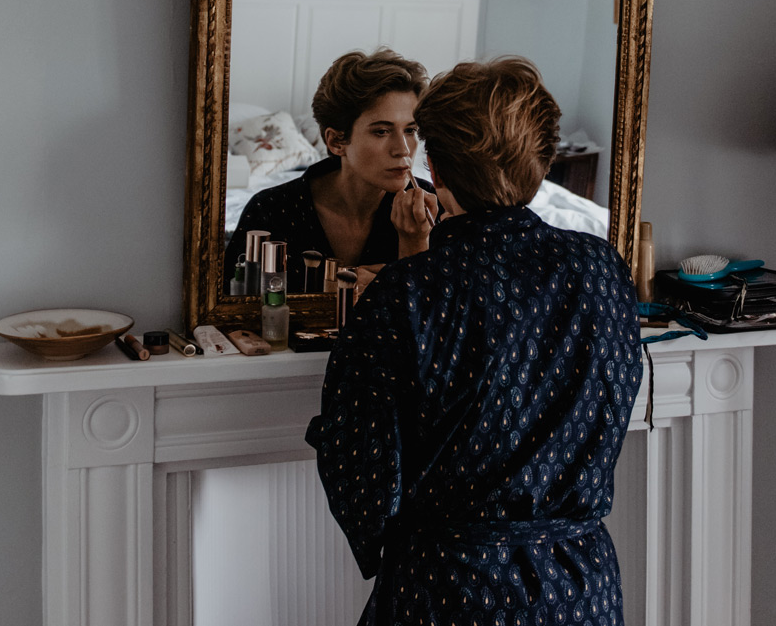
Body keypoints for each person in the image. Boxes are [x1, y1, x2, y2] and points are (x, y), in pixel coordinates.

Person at [306, 56, 643, 626]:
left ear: (435, 167)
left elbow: (361, 469)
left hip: (450, 589)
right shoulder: (601, 267)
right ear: (543, 161)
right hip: (580, 586)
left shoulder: (407, 293)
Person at [223, 47, 438, 296]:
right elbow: (230, 309)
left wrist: (413, 248)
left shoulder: (432, 209)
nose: (403, 149)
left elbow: (442, 321)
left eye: (410, 130)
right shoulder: (271, 212)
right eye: (381, 131)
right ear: (337, 141)